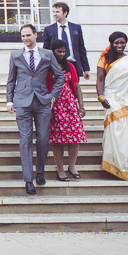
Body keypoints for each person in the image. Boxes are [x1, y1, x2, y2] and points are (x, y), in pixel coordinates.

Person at [6, 23, 64, 195]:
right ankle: (28, 180)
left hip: (42, 101)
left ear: (35, 35)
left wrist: (52, 95)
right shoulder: (16, 55)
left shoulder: (47, 54)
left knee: (43, 139)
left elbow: (59, 77)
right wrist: (9, 101)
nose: (25, 39)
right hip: (22, 102)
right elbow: (11, 80)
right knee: (25, 140)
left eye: (28, 35)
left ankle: (40, 172)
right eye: (23, 36)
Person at [96, 31, 128, 181]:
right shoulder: (104, 58)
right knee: (115, 130)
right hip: (111, 98)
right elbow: (100, 80)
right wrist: (101, 96)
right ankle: (113, 163)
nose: (119, 45)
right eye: (116, 42)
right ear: (111, 43)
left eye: (122, 42)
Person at [46, 39, 87, 181]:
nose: (62, 54)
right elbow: (45, 87)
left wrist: (81, 106)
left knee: (75, 136)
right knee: (58, 138)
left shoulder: (70, 66)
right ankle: (60, 169)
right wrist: (49, 108)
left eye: (64, 51)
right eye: (59, 51)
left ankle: (72, 166)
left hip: (70, 104)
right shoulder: (47, 67)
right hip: (55, 105)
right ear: (53, 51)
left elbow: (77, 86)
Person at [41, 2, 91, 80]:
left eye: (57, 12)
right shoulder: (49, 29)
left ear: (65, 13)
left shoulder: (76, 28)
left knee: (75, 88)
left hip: (73, 64)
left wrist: (86, 68)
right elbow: (46, 49)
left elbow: (81, 48)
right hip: (56, 65)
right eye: (53, 12)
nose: (55, 14)